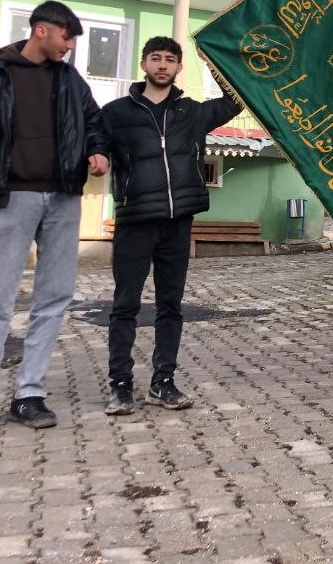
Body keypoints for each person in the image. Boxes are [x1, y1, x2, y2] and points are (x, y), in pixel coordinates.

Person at [0, 0, 109, 434]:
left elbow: (94, 123)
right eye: (67, 36)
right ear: (42, 30)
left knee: (54, 298)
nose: (71, 46)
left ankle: (29, 394)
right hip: (12, 198)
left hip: (62, 199)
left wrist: (97, 150)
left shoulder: (71, 81)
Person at [100, 36, 241, 415]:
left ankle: (163, 383)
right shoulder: (116, 113)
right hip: (135, 220)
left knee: (170, 305)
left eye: (170, 60)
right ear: (144, 64)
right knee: (125, 304)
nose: (163, 65)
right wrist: (96, 156)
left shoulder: (192, 113)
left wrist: (212, 58)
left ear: (179, 68)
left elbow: (235, 99)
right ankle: (120, 385)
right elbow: (93, 140)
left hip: (177, 221)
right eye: (155, 58)